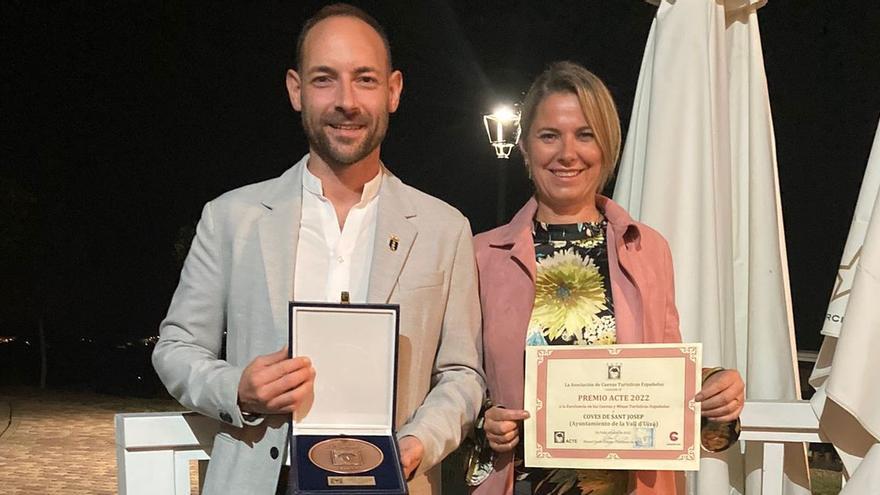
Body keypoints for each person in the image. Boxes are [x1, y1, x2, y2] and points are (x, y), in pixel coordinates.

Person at [152, 4, 484, 494]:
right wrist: (238, 388)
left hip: (393, 480)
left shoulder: (444, 228)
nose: (346, 101)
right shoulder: (231, 218)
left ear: (393, 91)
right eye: (325, 79)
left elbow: (462, 374)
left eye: (365, 79)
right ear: (296, 89)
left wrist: (417, 443)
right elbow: (176, 348)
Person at [471, 61, 745, 495]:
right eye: (549, 136)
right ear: (524, 147)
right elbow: (459, 382)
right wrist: (483, 420)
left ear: (608, 146)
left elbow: (664, 370)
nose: (567, 153)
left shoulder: (648, 248)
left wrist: (714, 391)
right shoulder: (480, 255)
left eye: (585, 134)